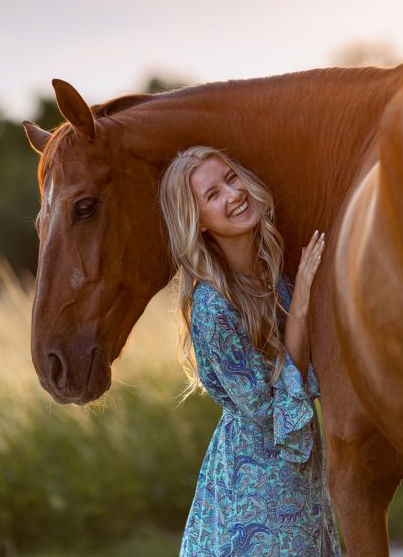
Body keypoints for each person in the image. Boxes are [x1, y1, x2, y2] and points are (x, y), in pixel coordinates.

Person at [159, 145, 342, 556]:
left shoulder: (273, 266)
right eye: (212, 194)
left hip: (301, 473)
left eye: (230, 178)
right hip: (255, 487)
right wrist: (301, 307)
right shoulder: (211, 308)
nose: (232, 194)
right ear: (199, 223)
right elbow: (270, 413)